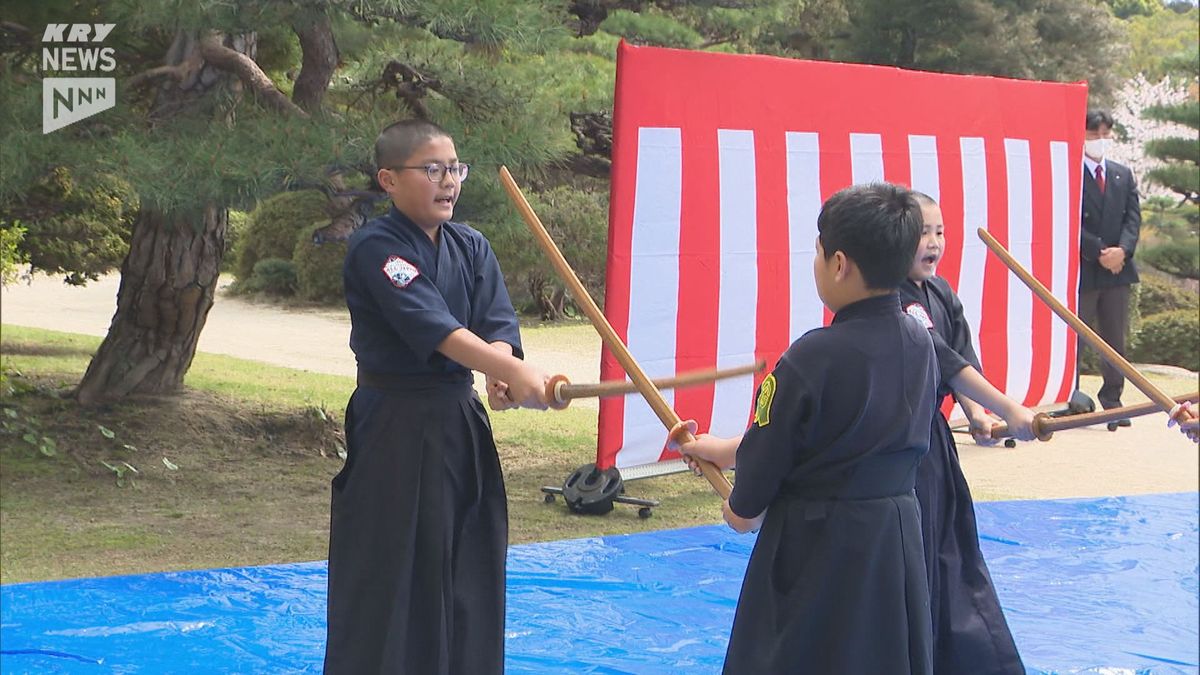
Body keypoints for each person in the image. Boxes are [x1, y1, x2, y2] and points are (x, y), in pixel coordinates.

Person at [677, 182, 938, 674]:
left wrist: (742, 506)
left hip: (820, 541)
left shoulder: (814, 355)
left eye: (817, 253)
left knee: (805, 654)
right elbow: (835, 439)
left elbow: (773, 449)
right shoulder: (918, 339)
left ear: (839, 263)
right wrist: (724, 450)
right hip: (892, 537)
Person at [324, 119, 550, 674]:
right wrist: (514, 371)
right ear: (389, 180)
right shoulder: (377, 247)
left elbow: (493, 321)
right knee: (393, 568)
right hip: (394, 427)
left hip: (459, 422)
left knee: (469, 560)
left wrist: (502, 372)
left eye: (454, 168)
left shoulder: (470, 244)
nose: (448, 181)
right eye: (432, 169)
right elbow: (440, 331)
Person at [900, 193, 1037, 674]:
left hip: (934, 442)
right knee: (912, 555)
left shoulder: (941, 293)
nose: (934, 242)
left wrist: (977, 414)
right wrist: (1010, 409)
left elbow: (961, 356)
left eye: (940, 231)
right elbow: (942, 357)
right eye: (923, 232)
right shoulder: (894, 299)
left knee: (951, 550)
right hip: (899, 447)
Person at [1079, 109, 1141, 423]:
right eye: (1094, 134)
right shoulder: (1070, 174)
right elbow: (1067, 220)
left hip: (1119, 270)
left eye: (1105, 134)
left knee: (1115, 337)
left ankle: (1113, 399)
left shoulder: (1121, 174)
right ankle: (1072, 395)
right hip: (1086, 267)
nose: (1100, 140)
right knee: (1076, 333)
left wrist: (1123, 251)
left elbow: (1133, 217)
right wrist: (1099, 250)